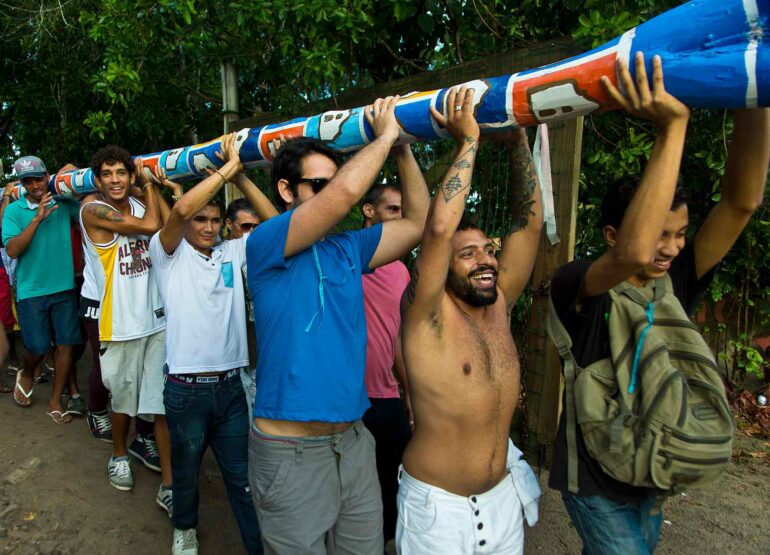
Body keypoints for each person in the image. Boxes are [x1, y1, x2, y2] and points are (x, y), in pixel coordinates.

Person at [548, 54, 770, 554]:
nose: (670, 248)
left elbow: (742, 202)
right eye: (660, 234)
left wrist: (757, 86)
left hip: (652, 471)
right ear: (611, 232)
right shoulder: (579, 283)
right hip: (596, 486)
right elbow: (631, 252)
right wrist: (673, 127)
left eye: (680, 235)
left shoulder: (675, 278)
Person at [246, 96, 430, 554]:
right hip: (290, 454)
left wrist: (402, 145)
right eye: (317, 186)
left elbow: (419, 222)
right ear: (287, 191)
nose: (333, 194)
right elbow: (347, 194)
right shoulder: (268, 241)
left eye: (333, 182)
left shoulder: (349, 248)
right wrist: (384, 136)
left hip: (352, 442)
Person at [396, 86, 543, 554]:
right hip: (437, 513)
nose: (484, 261)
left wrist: (518, 141)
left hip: (502, 502)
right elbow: (438, 228)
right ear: (441, 265)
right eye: (467, 254)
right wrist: (469, 141)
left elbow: (530, 225)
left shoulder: (498, 301)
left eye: (488, 250)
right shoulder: (426, 316)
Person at [150, 135, 274, 555]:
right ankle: (184, 527)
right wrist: (225, 170)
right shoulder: (166, 253)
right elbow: (182, 207)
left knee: (242, 477)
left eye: (214, 220)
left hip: (231, 388)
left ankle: (258, 546)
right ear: (186, 224)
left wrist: (241, 173)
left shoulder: (233, 252)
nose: (206, 226)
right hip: (186, 390)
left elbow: (279, 227)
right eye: (200, 220)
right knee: (186, 472)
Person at [79, 146, 172, 513]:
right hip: (119, 324)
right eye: (108, 173)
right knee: (122, 401)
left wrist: (147, 188)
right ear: (98, 180)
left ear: (129, 175)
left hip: (155, 320)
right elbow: (151, 226)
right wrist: (146, 184)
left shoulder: (137, 202)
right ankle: (119, 453)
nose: (115, 179)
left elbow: (167, 228)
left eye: (122, 172)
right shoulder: (92, 210)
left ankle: (169, 481)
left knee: (160, 402)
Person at [2, 156, 83, 423]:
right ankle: (27, 372)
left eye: (39, 178)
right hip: (31, 291)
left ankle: (55, 400)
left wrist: (76, 174)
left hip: (64, 287)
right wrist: (37, 219)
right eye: (28, 181)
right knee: (37, 346)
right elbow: (12, 250)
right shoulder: (15, 211)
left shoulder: (63, 202)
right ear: (22, 183)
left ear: (47, 176)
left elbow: (87, 209)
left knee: (66, 345)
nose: (35, 185)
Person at [359, 180, 413, 543]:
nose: (400, 217)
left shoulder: (402, 269)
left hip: (389, 397)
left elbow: (398, 337)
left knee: (392, 482)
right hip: (349, 399)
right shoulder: (345, 257)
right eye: (392, 209)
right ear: (368, 210)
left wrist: (409, 391)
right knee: (353, 489)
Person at [224, 194, 277, 414]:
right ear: (229, 224)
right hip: (226, 353)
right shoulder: (216, 253)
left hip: (259, 350)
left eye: (258, 227)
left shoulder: (266, 254)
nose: (252, 233)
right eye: (246, 226)